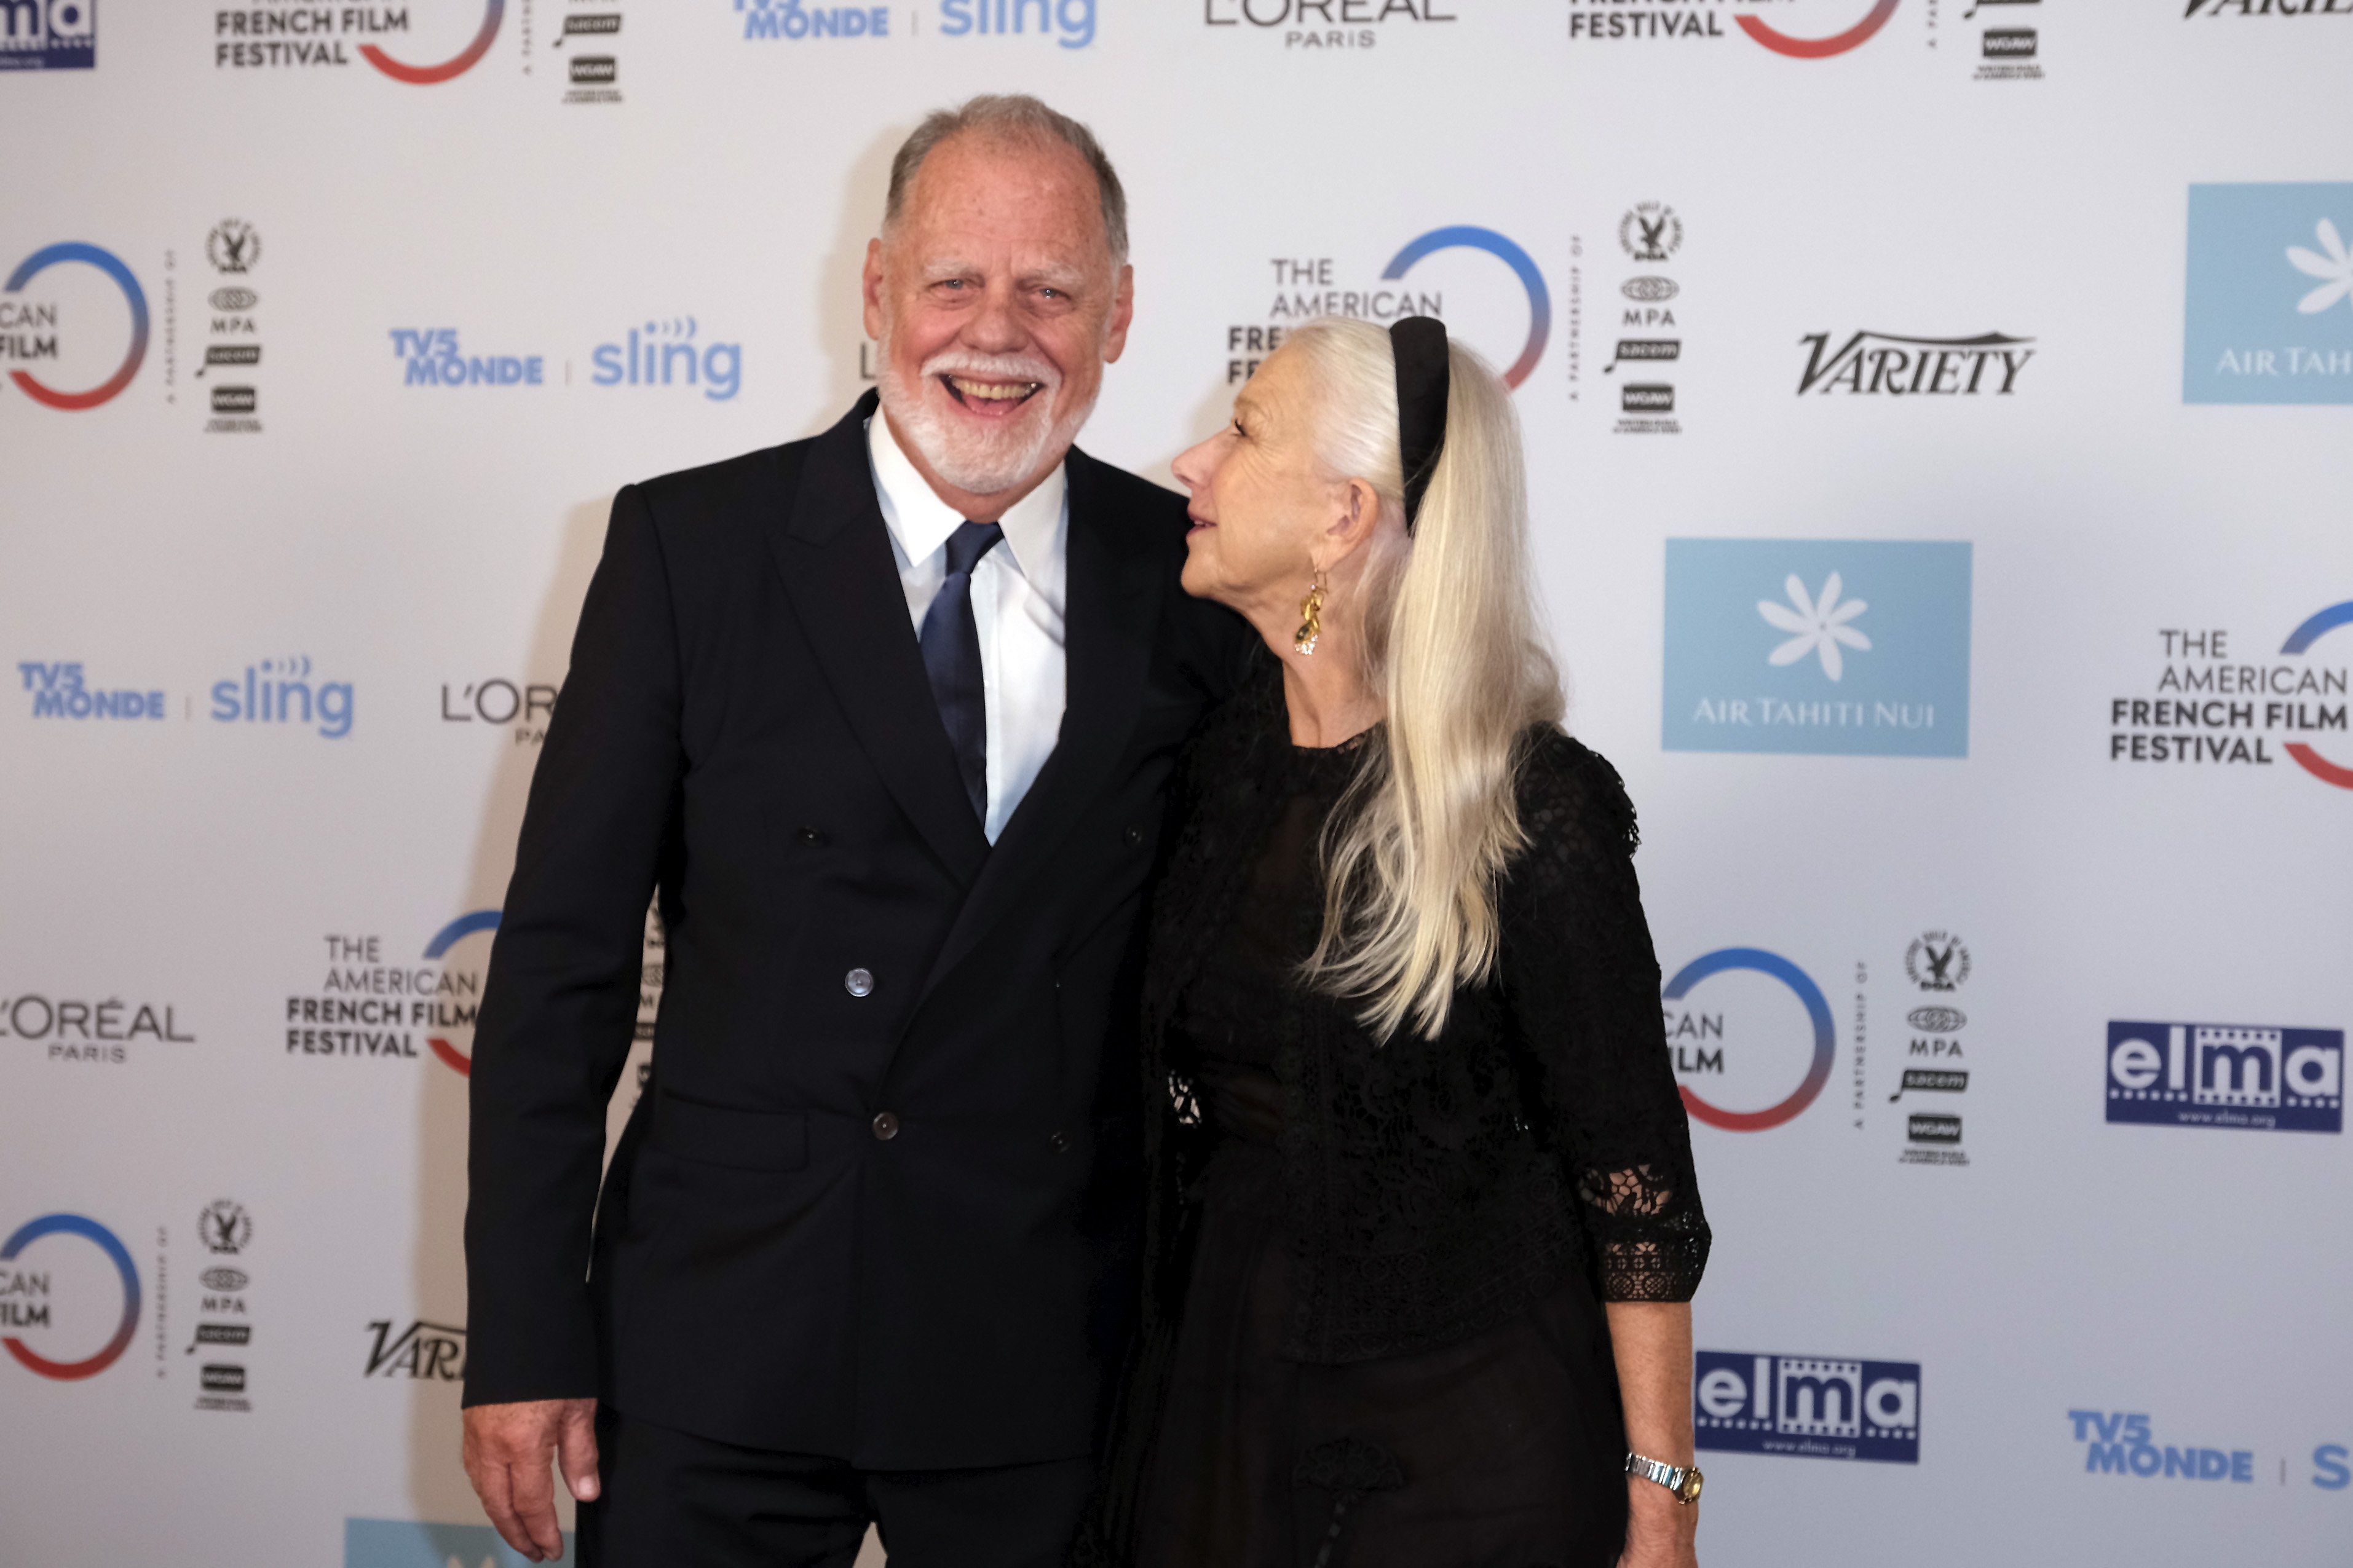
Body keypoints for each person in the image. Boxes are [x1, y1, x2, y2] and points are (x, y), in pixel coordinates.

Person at [457, 95, 1251, 1567]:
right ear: (877, 289)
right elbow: (562, 970)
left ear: (1121, 313)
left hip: (1048, 1351)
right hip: (722, 1342)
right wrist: (518, 1335)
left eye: (1052, 289)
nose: (996, 331)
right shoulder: (690, 549)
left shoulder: (1195, 584)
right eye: (954, 280)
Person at [1082, 317, 1712, 1568]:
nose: (1189, 462)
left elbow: (1633, 1182)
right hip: (1220, 1415)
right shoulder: (1222, 762)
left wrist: (1662, 1503)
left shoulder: (1535, 808)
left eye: (1246, 430)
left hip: (1464, 1460)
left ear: (1343, 517)